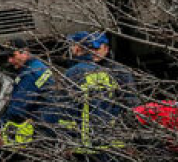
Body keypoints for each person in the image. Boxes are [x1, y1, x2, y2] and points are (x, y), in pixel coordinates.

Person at [54, 32, 136, 160]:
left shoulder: (120, 72)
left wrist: (131, 139)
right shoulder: (82, 70)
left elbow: (131, 105)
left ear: (106, 49)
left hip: (112, 140)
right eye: (91, 48)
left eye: (97, 49)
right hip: (94, 141)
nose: (93, 52)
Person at [0, 38, 53, 148]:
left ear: (25, 52)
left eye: (12, 56)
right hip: (47, 121)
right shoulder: (37, 66)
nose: (9, 60)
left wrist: (1, 126)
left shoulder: (30, 74)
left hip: (39, 127)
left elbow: (18, 109)